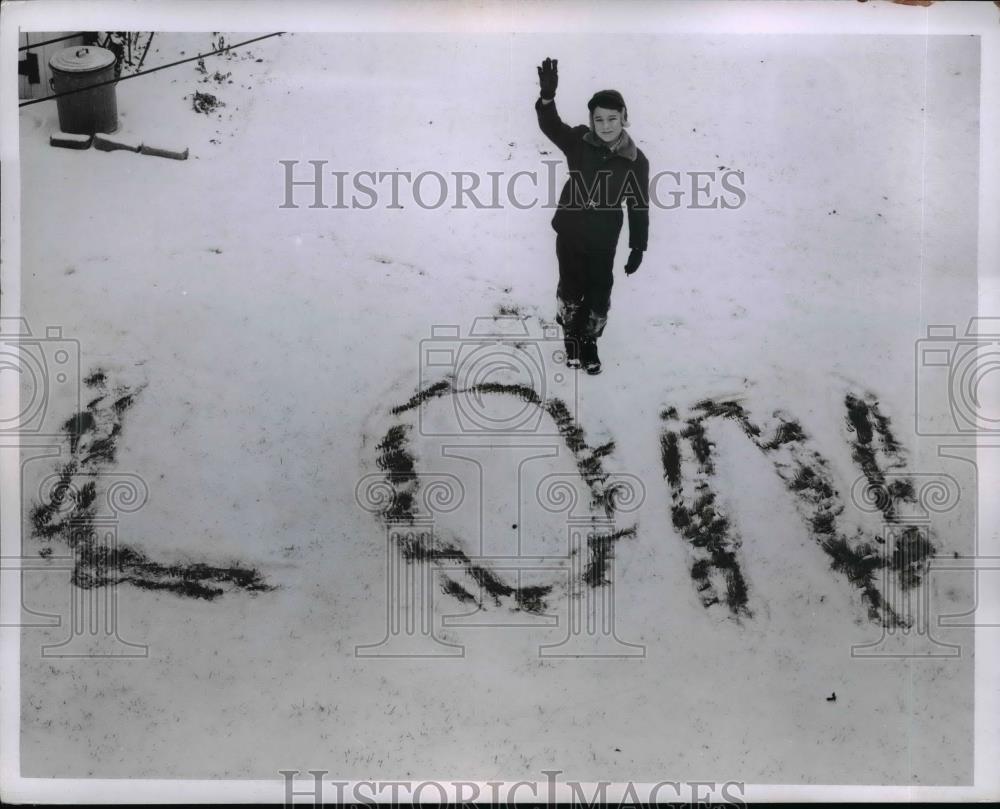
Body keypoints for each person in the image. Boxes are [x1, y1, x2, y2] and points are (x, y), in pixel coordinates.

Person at [535, 57, 649, 375]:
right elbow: (551, 126)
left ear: (624, 118)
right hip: (570, 233)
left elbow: (639, 205)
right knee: (571, 287)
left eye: (612, 119)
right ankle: (571, 335)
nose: (605, 126)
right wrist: (547, 98)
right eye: (599, 119)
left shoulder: (635, 161)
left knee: (600, 290)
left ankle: (589, 340)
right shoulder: (580, 142)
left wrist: (638, 246)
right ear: (592, 120)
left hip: (603, 238)